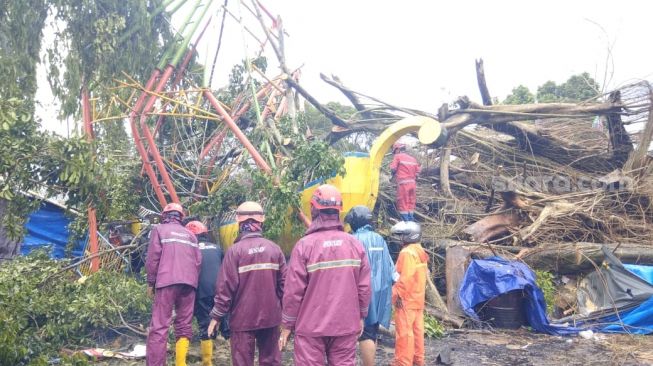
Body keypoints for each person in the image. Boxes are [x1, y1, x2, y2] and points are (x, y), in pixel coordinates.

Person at [279, 184, 372, 366]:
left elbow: (293, 292)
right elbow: (365, 287)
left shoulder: (304, 246)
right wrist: (361, 316)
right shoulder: (354, 245)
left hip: (310, 328)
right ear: (339, 211)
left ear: (313, 209)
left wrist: (287, 325)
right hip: (345, 325)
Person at [207, 201, 286, 366]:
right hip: (271, 318)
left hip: (242, 319)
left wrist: (216, 317)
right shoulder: (274, 249)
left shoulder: (234, 252)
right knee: (271, 361)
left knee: (242, 362)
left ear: (239, 222)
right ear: (261, 221)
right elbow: (284, 287)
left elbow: (225, 288)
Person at [145, 203, 201, 366]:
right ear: (181, 217)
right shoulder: (191, 235)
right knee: (184, 325)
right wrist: (191, 280)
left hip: (167, 281)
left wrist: (151, 282)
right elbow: (198, 262)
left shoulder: (159, 230)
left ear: (165, 216)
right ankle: (181, 363)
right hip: (189, 283)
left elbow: (153, 258)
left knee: (160, 326)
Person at [344, 205, 397, 366]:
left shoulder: (353, 240)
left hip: (359, 293)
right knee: (371, 332)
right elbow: (391, 270)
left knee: (359, 334)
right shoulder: (379, 239)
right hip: (380, 293)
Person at [185, 220, 223, 366]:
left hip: (200, 291)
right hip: (220, 292)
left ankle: (207, 362)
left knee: (204, 324)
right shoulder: (217, 248)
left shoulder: (189, 249)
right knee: (224, 322)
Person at [390, 221, 428, 366]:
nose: (400, 238)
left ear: (410, 236)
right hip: (418, 298)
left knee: (404, 333)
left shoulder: (406, 253)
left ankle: (402, 362)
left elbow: (404, 278)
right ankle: (418, 360)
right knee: (417, 332)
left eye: (402, 235)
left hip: (406, 299)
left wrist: (396, 295)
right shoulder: (420, 251)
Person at [389, 142, 421, 222]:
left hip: (403, 184)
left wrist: (393, 174)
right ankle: (411, 221)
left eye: (394, 151)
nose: (394, 153)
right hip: (413, 184)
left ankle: (406, 222)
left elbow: (393, 169)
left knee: (402, 202)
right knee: (411, 202)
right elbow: (418, 172)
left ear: (397, 149)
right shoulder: (413, 159)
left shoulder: (398, 156)